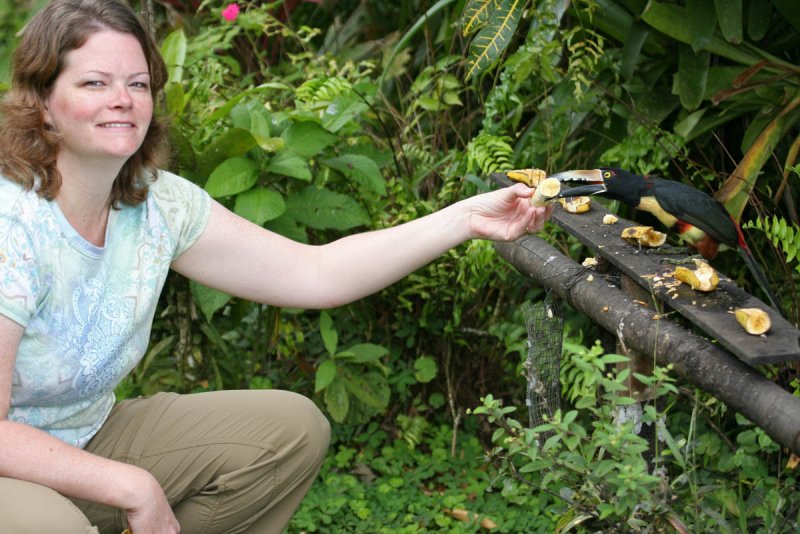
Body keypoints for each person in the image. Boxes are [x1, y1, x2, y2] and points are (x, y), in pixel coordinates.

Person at [0, 0, 553, 533]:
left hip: (88, 435)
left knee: (289, 430)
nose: (121, 99)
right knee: (52, 525)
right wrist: (132, 486)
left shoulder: (158, 204)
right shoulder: (12, 221)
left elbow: (317, 274)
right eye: (94, 82)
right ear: (43, 102)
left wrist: (464, 219)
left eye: (137, 83)